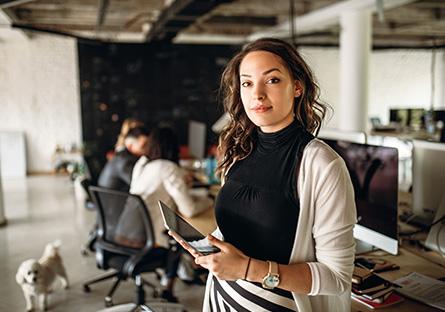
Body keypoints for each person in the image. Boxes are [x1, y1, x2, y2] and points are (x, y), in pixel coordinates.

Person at [171, 38, 357, 312]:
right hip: (221, 298)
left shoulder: (322, 164)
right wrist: (208, 247)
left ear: (297, 87)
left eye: (271, 80)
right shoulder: (238, 150)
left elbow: (337, 278)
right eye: (247, 83)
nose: (256, 94)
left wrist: (247, 269)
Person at [115, 126, 213, 302]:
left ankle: (185, 272)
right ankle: (169, 287)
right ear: (174, 148)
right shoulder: (169, 168)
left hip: (123, 233)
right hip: (147, 241)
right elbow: (189, 209)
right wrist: (209, 200)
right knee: (180, 236)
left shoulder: (144, 165)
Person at [98, 126, 149, 192]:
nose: (148, 148)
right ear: (130, 146)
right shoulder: (124, 161)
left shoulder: (120, 156)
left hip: (108, 199)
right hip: (116, 201)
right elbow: (139, 186)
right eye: (144, 144)